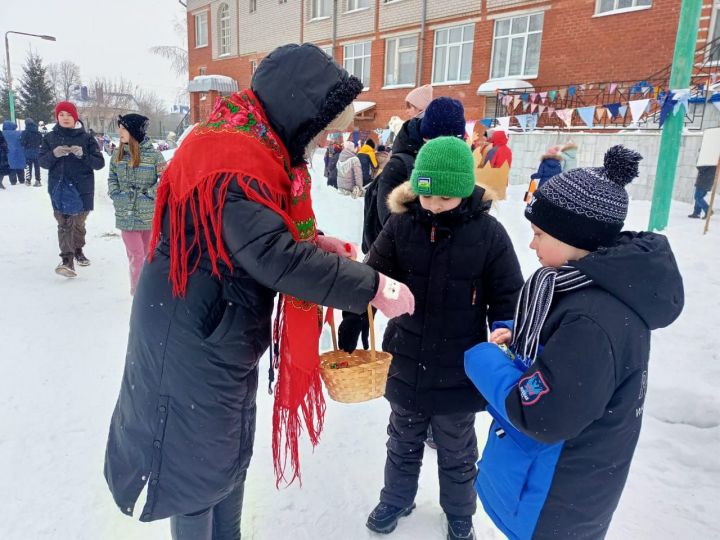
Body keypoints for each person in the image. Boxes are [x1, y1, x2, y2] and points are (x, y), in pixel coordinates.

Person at [103, 43, 415, 540]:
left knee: (223, 458)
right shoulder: (232, 156)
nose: (314, 138)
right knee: (195, 470)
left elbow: (261, 236)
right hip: (192, 332)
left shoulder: (251, 142)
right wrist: (372, 286)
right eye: (315, 122)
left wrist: (313, 240)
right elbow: (273, 255)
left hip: (216, 325)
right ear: (295, 106)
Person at [464, 146, 684, 540]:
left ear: (575, 237)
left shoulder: (593, 320)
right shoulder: (593, 288)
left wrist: (482, 358)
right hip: (568, 487)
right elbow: (571, 361)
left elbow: (543, 413)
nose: (531, 245)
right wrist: (525, 336)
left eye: (539, 234)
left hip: (557, 498)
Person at [340, 137, 523, 540]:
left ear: (462, 190)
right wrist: (356, 317)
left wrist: (505, 326)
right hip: (405, 355)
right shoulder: (401, 226)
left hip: (460, 364)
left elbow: (508, 291)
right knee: (402, 438)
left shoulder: (489, 235)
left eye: (444, 197)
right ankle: (397, 498)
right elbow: (374, 278)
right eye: (426, 195)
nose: (434, 205)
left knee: (457, 448)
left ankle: (459, 511)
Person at [362, 96, 466, 253]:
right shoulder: (399, 167)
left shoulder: (454, 163)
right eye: (441, 144)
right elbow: (391, 225)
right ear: (427, 137)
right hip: (400, 262)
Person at [39, 102, 105, 277]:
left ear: (75, 117)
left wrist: (82, 154)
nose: (65, 118)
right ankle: (67, 260)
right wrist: (54, 154)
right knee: (64, 223)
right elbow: (42, 162)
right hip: (59, 187)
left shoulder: (86, 138)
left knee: (78, 224)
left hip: (82, 187)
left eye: (68, 114)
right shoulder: (50, 138)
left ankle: (78, 249)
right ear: (57, 117)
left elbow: (99, 163)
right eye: (61, 115)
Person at [108, 114, 166, 295]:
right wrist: (117, 195)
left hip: (148, 214)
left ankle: (145, 286)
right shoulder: (117, 156)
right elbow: (112, 179)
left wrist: (148, 195)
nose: (120, 132)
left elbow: (165, 181)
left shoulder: (155, 156)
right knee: (136, 254)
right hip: (126, 214)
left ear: (134, 131)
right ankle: (138, 291)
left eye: (123, 128)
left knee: (148, 255)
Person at [21, 118, 44, 186]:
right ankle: (38, 181)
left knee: (28, 166)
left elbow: (22, 143)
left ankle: (28, 181)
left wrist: (25, 144)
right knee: (37, 167)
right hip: (37, 151)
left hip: (28, 152)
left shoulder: (25, 132)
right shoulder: (38, 132)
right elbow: (41, 142)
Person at [2, 120, 26, 185]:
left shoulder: (2, 133)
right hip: (19, 153)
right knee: (20, 167)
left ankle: (13, 181)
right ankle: (22, 180)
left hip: (8, 153)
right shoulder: (19, 133)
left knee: (11, 167)